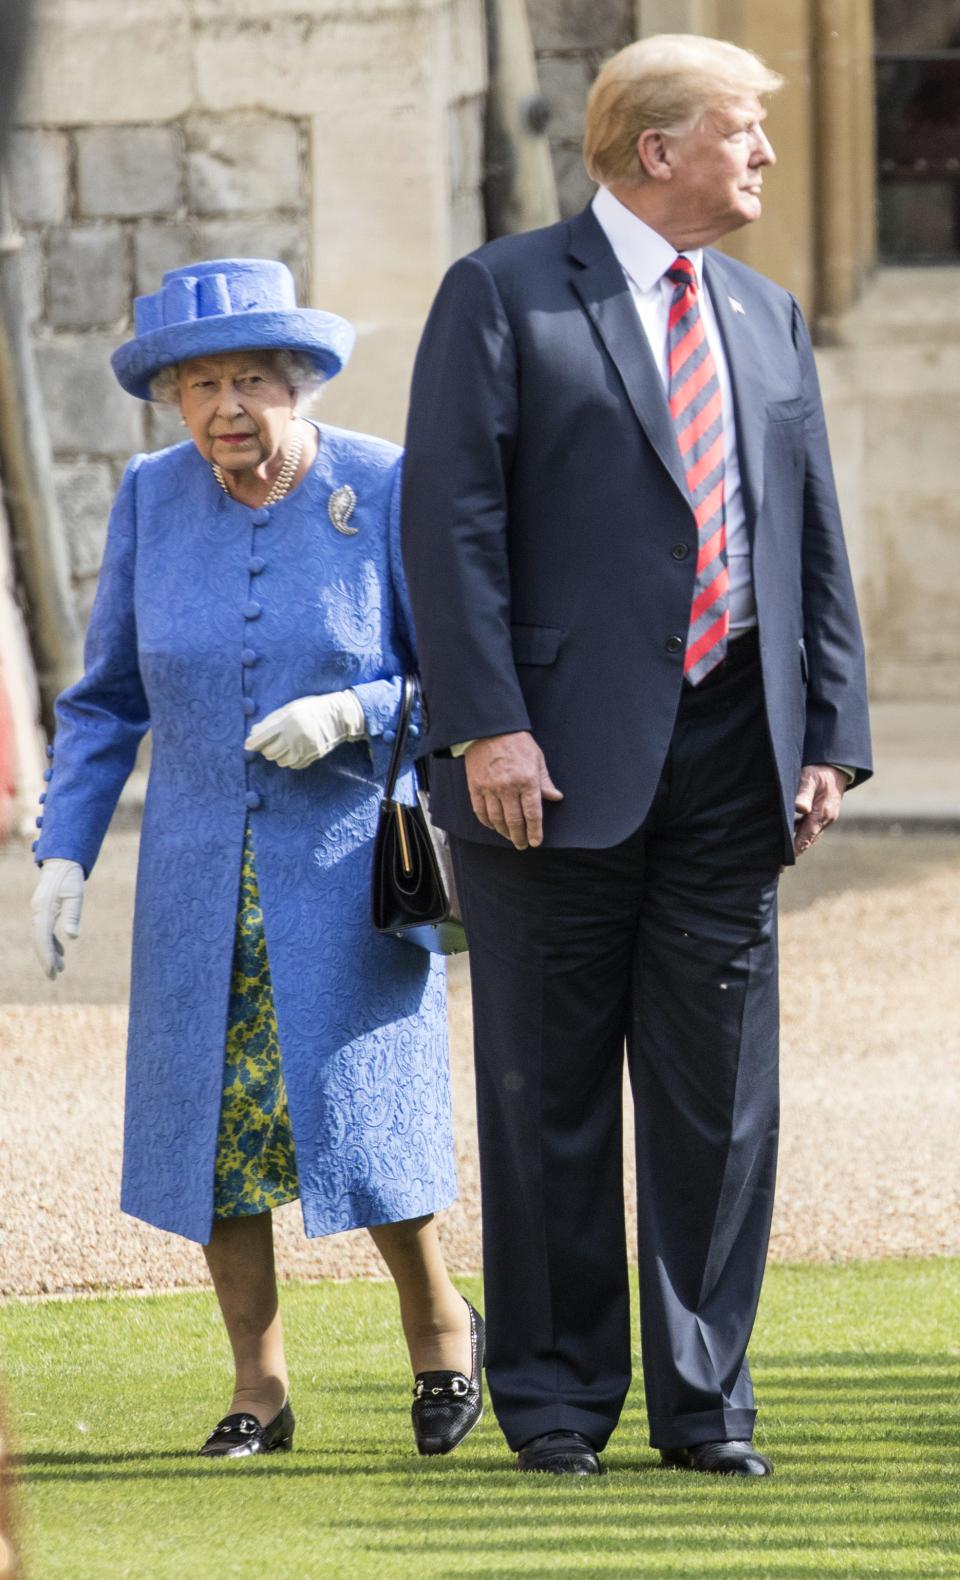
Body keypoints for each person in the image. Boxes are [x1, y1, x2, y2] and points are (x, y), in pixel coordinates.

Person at [401, 34, 871, 1476]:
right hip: (541, 770)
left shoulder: (769, 312)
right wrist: (487, 723)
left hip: (738, 763)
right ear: (656, 149)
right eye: (744, 132)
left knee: (720, 1109)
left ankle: (708, 1406)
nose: (768, 159)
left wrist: (830, 739)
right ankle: (551, 1406)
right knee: (545, 1101)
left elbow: (808, 532)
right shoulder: (500, 292)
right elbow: (452, 528)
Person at [30, 258, 483, 1460]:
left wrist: (349, 711)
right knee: (212, 1130)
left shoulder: (379, 482)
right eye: (199, 385)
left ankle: (441, 1327)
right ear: (172, 402)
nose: (226, 407)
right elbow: (106, 697)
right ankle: (259, 1386)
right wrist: (63, 851)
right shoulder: (148, 496)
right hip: (193, 872)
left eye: (248, 380)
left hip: (347, 862)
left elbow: (460, 675)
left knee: (361, 1107)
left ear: (298, 383)